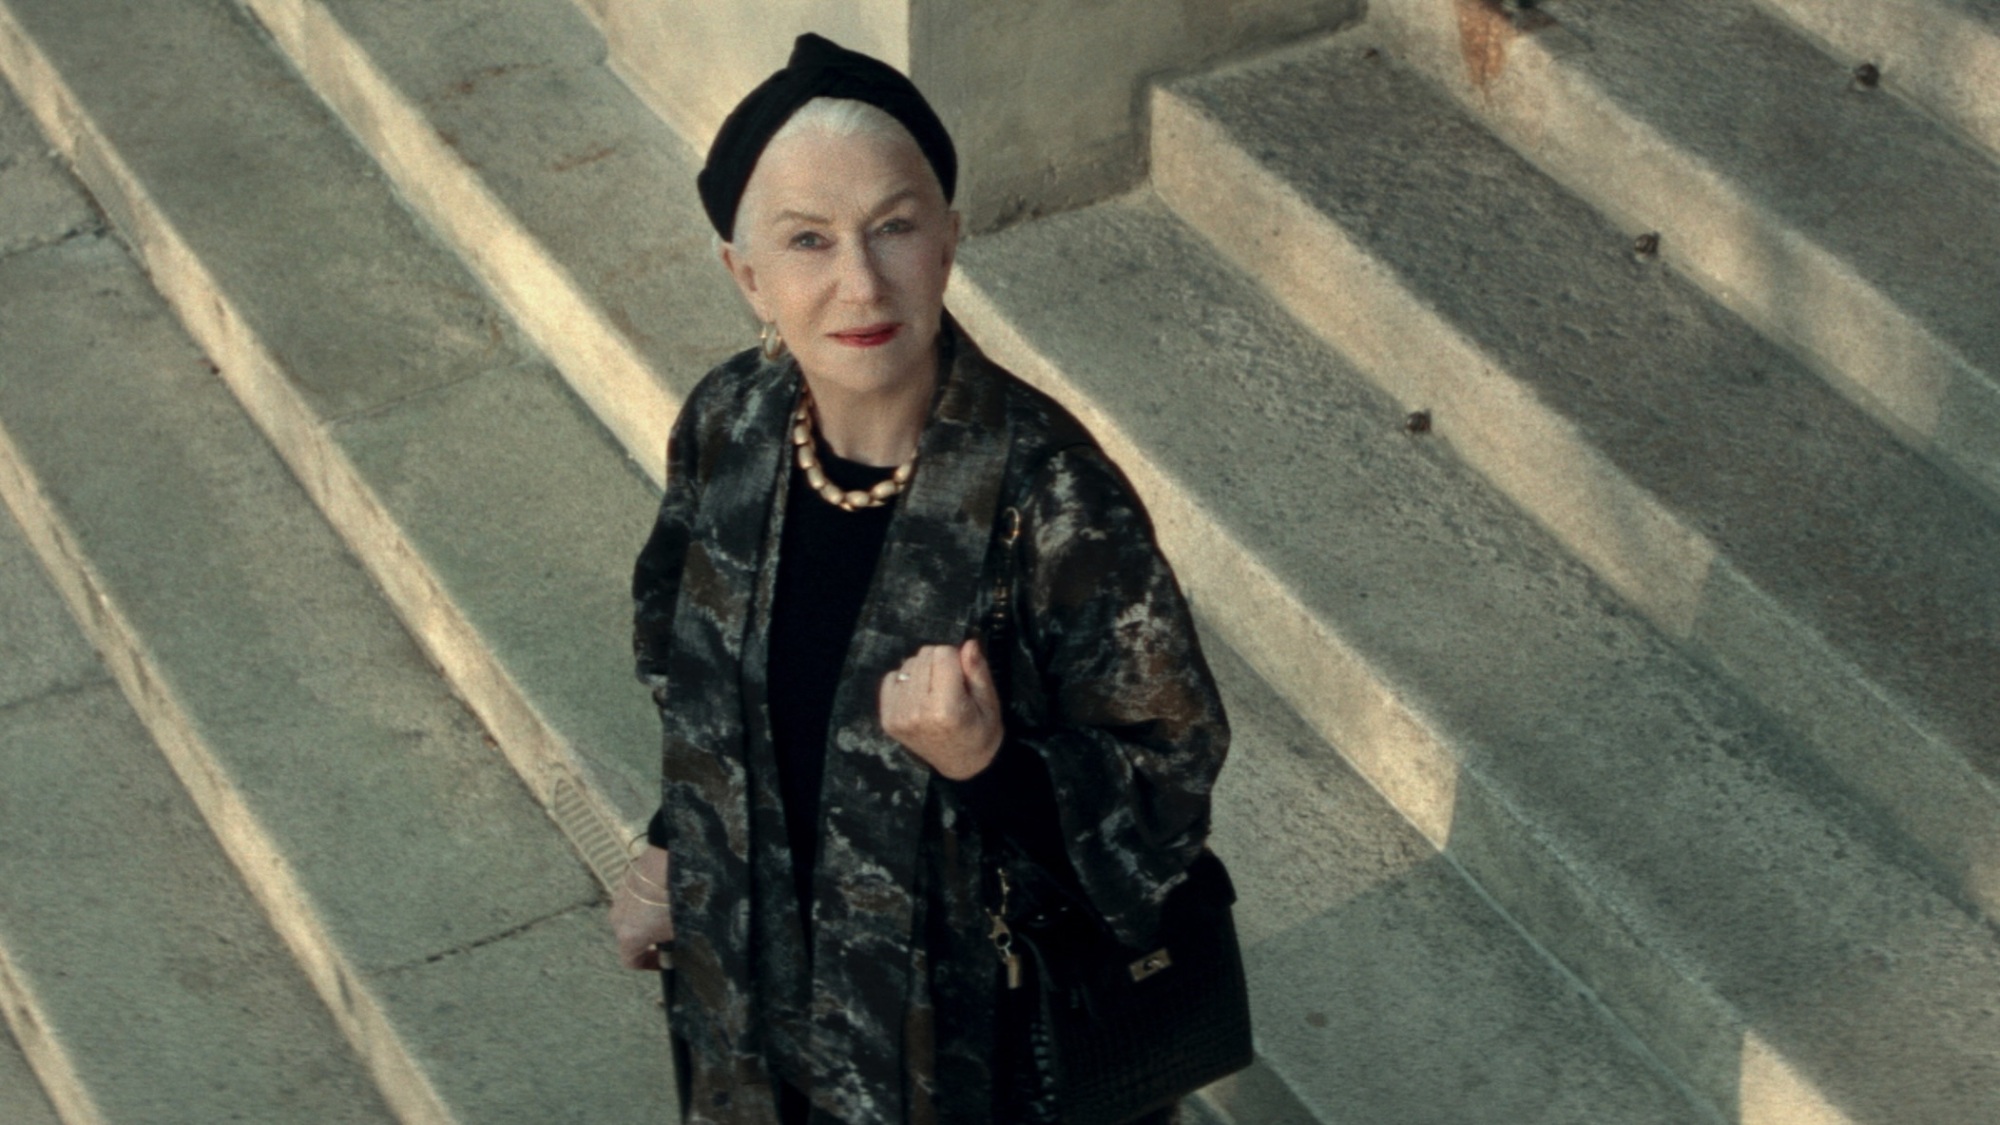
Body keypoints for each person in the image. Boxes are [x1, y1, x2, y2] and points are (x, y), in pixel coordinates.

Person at [610, 33, 1230, 1125]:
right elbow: (693, 676)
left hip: (969, 1066)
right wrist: (673, 852)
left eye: (893, 227)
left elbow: (1164, 799)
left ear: (947, 241)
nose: (859, 282)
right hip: (757, 1018)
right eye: (808, 240)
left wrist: (986, 763)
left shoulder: (1052, 499)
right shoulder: (730, 427)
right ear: (745, 274)